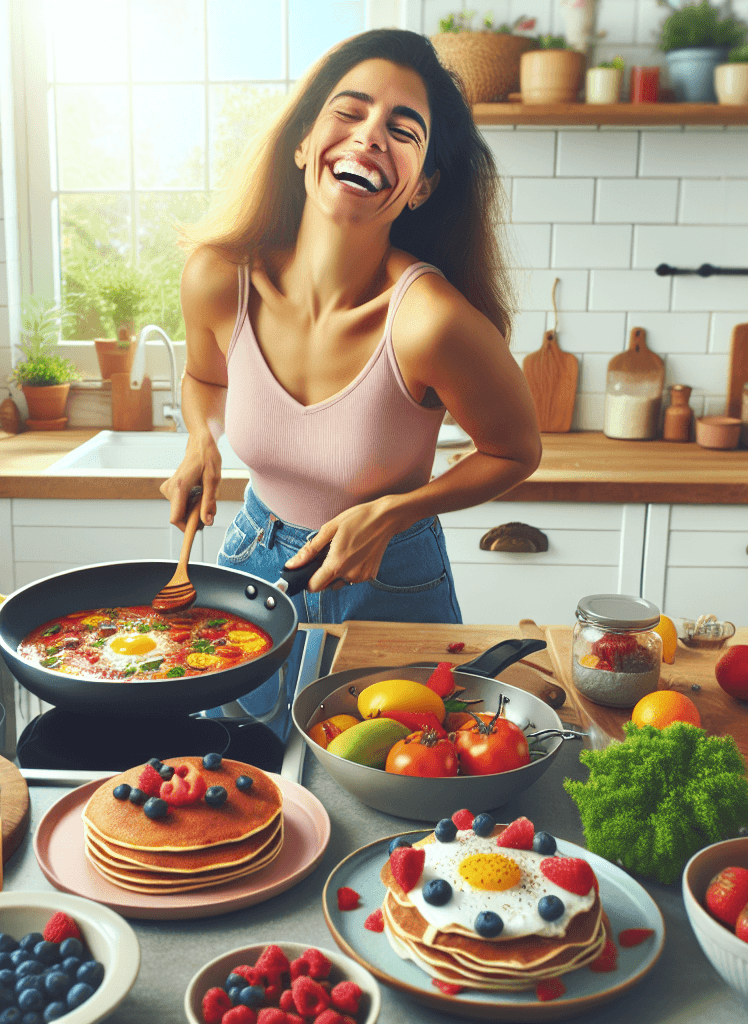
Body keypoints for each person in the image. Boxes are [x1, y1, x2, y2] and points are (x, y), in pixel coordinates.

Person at [161, 28, 541, 654]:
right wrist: (201, 438)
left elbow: (516, 450)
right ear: (305, 140)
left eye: (403, 129)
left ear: (421, 185)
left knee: (392, 752)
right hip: (254, 558)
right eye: (351, 109)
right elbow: (206, 380)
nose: (369, 135)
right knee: (228, 754)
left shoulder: (431, 322)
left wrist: (395, 513)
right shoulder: (218, 278)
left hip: (390, 578)